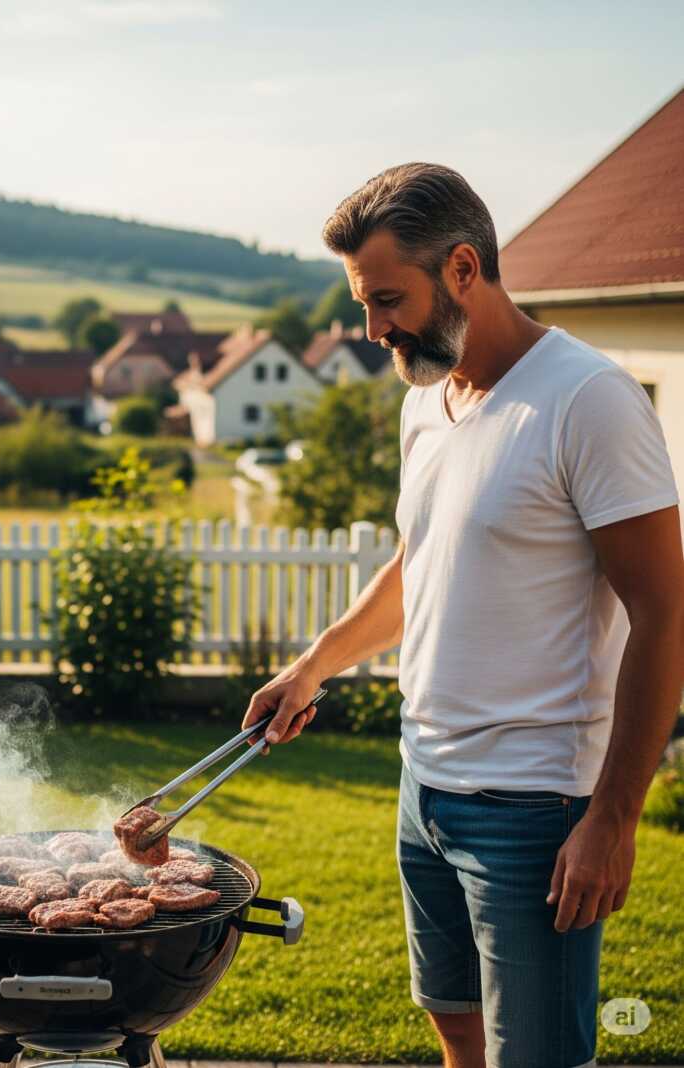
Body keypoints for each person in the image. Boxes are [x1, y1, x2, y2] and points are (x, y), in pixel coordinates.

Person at [243, 163, 683, 1068]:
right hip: (425, 787)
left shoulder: (587, 400)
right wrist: (312, 667)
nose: (373, 332)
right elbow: (422, 564)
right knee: (457, 1033)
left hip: (534, 806)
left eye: (388, 301)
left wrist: (613, 818)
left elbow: (664, 615)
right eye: (364, 306)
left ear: (464, 269)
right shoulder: (425, 403)